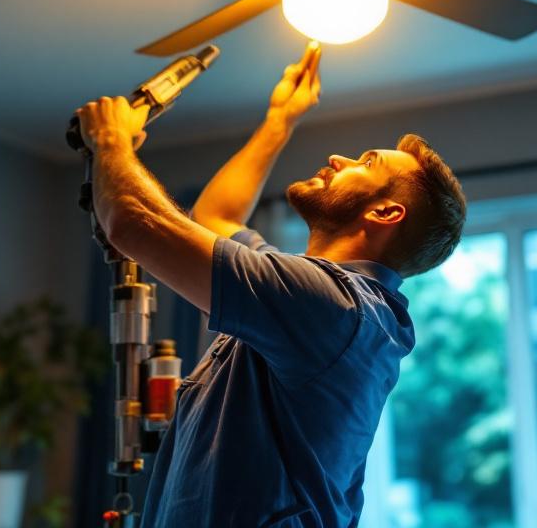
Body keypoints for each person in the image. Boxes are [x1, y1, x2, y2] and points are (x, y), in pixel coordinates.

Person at [75, 42, 467, 528]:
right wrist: (280, 119)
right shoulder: (308, 300)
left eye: (366, 162)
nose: (338, 158)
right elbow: (215, 217)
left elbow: (132, 223)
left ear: (384, 212)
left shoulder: (334, 307)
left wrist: (112, 141)